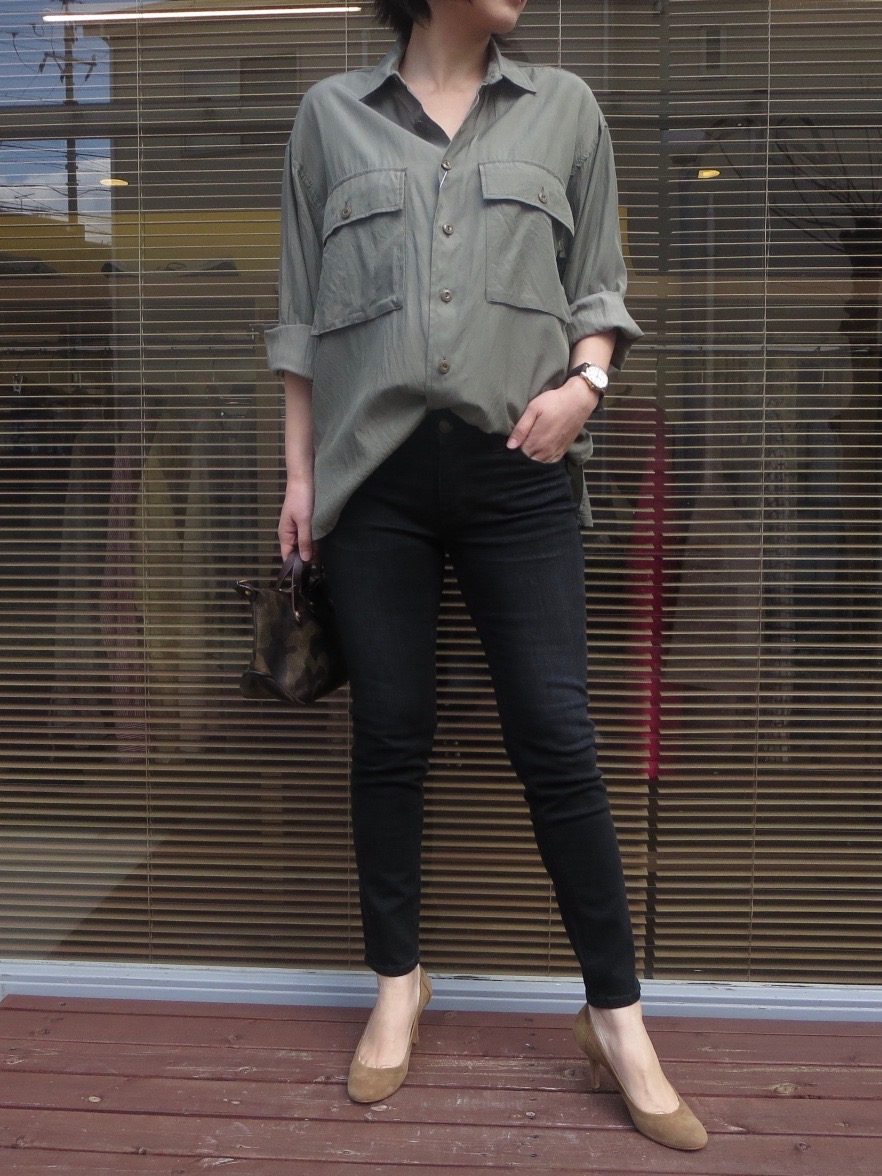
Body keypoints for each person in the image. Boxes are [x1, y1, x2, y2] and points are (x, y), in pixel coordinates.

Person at [266, 0, 708, 1152]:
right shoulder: (330, 118)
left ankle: (615, 1018)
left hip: (521, 468)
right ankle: (397, 981)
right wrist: (300, 478)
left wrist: (586, 388)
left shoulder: (565, 111)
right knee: (390, 733)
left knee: (556, 734)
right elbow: (302, 322)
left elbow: (598, 287)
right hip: (375, 479)